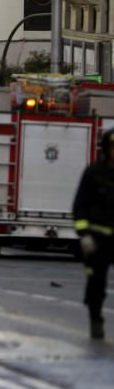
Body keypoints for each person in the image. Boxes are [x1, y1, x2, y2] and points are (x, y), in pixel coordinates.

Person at [72, 128, 114, 339]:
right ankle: (95, 317)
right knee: (97, 282)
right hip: (98, 239)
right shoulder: (94, 173)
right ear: (106, 148)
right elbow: (79, 207)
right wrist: (85, 235)